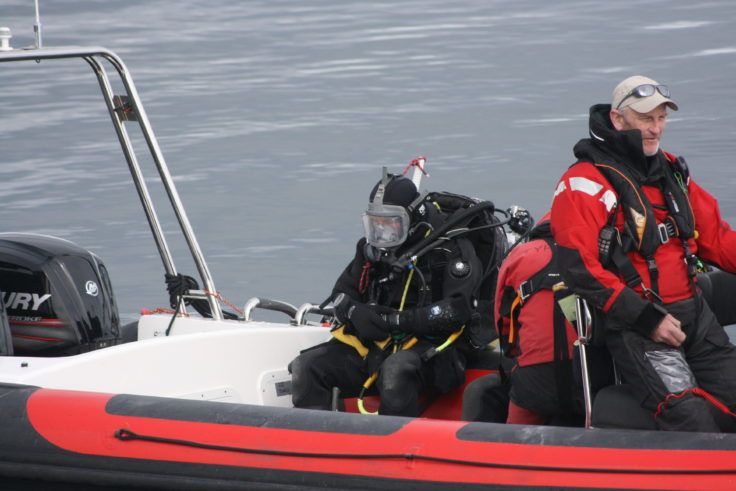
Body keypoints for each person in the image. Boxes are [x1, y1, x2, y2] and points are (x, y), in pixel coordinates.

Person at [550, 75, 736, 432]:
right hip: (642, 327)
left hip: (696, 318)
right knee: (690, 419)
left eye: (661, 119)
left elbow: (716, 237)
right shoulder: (585, 182)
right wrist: (647, 319)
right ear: (619, 120)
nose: (655, 129)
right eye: (646, 119)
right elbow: (579, 268)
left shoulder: (670, 172)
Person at [290, 169, 503, 416]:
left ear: (412, 218)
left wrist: (395, 321)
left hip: (436, 353)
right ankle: (319, 444)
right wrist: (355, 312)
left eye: (391, 222)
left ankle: (392, 449)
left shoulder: (451, 251)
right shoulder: (371, 251)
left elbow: (455, 312)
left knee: (396, 371)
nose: (382, 232)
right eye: (375, 223)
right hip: (379, 348)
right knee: (308, 367)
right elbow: (339, 294)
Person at [494, 217, 583, 426]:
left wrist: (516, 354)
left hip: (534, 376)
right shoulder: (597, 252)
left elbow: (502, 321)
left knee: (514, 443)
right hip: (588, 371)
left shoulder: (520, 255)